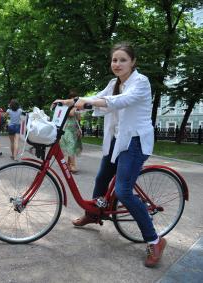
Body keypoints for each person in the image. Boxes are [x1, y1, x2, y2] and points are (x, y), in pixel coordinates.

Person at [52, 42, 165, 268]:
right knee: (102, 179)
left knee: (123, 190)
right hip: (116, 140)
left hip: (134, 142)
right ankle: (94, 214)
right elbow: (98, 97)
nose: (118, 64)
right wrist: (69, 102)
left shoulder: (140, 83)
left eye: (123, 60)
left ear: (133, 62)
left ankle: (155, 240)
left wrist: (87, 102)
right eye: (115, 60)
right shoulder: (114, 83)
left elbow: (120, 102)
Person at [60, 89, 83, 173]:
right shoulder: (66, 107)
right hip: (66, 129)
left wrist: (79, 129)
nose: (75, 101)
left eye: (76, 99)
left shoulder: (76, 108)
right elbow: (71, 114)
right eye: (73, 99)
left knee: (72, 146)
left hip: (74, 129)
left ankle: (69, 164)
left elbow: (79, 118)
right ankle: (73, 165)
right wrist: (75, 106)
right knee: (71, 145)